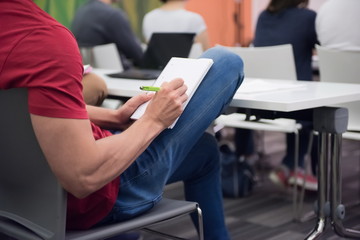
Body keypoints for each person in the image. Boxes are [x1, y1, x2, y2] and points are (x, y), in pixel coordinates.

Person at [1, 1, 244, 239]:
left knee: (204, 150)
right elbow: (83, 176)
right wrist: (153, 120)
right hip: (97, 196)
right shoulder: (45, 39)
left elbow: (30, 110)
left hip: (18, 198)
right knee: (225, 61)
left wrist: (113, 117)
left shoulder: (12, 28)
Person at [251, 0, 318, 191]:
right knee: (319, 114)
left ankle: (291, 165)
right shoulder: (308, 17)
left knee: (305, 111)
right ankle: (296, 168)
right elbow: (320, 45)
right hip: (296, 103)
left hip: (263, 101)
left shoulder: (263, 16)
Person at [71, 0, 144, 69]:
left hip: (90, 75)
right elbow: (138, 56)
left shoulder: (81, 12)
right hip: (118, 76)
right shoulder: (113, 15)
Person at [142, 0, 210, 52]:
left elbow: (150, 51)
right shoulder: (194, 19)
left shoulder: (148, 17)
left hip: (158, 68)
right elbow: (206, 52)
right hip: (186, 68)